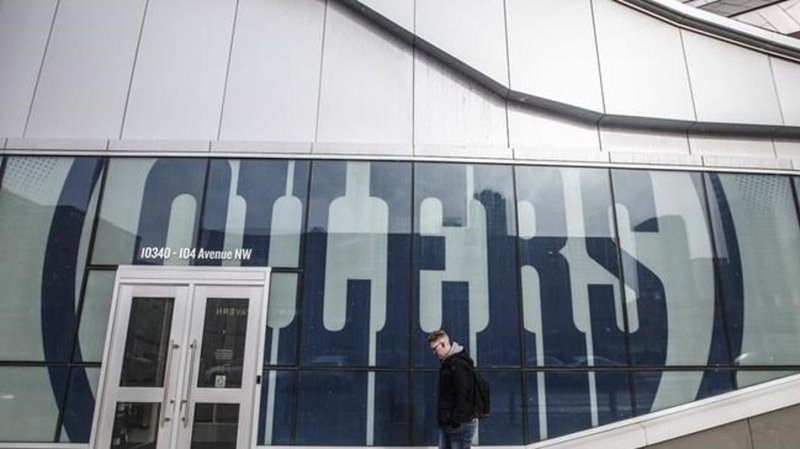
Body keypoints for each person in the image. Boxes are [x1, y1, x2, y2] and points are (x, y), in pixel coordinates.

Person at [428, 329, 477, 449]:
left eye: (435, 349)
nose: (434, 353)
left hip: (459, 425)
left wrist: (456, 419)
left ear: (443, 344)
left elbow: (464, 393)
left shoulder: (457, 364)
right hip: (450, 423)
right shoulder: (449, 363)